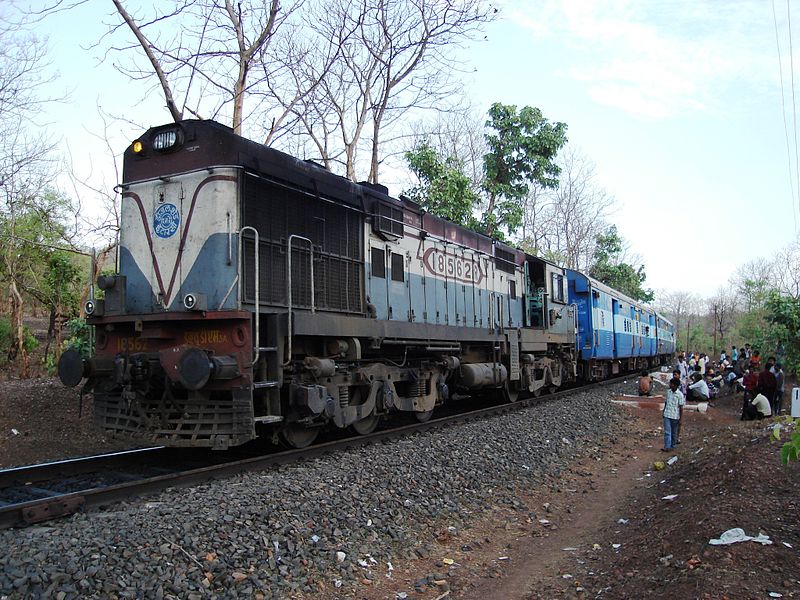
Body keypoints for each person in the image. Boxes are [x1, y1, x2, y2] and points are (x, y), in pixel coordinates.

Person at [662, 378, 685, 451]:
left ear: (675, 385)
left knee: (674, 432)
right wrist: (663, 411)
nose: (670, 385)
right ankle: (667, 446)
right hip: (667, 414)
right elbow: (666, 402)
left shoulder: (680, 395)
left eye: (671, 384)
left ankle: (673, 445)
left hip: (675, 416)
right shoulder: (668, 392)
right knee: (667, 432)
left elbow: (681, 407)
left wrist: (681, 418)